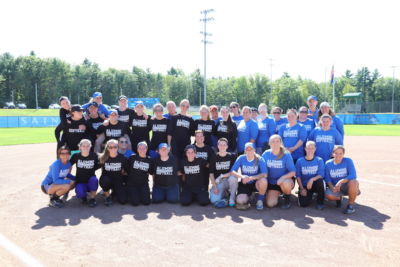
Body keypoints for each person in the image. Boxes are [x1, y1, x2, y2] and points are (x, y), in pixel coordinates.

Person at [261, 135, 296, 209]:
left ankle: (287, 198)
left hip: (285, 180)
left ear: (281, 143)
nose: (275, 143)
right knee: (270, 204)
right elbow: (262, 169)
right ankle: (274, 193)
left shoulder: (286, 154)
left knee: (285, 183)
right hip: (272, 182)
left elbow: (293, 172)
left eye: (277, 141)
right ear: (269, 144)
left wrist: (282, 177)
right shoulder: (266, 154)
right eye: (273, 141)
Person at [231, 142, 267, 210]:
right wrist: (242, 177)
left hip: (256, 183)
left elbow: (265, 174)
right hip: (245, 183)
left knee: (263, 180)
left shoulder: (259, 159)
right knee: (240, 201)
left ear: (254, 150)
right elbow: (232, 171)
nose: (249, 151)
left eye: (251, 149)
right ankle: (250, 196)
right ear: (245, 150)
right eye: (247, 149)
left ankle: (260, 200)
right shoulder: (241, 158)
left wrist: (252, 178)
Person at [324, 145, 360, 214]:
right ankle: (339, 198)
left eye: (341, 153)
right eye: (336, 153)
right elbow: (327, 178)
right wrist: (332, 188)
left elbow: (353, 175)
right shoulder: (328, 163)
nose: (338, 155)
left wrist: (341, 181)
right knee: (327, 195)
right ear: (333, 154)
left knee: (354, 182)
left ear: (343, 154)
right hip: (336, 187)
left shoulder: (348, 161)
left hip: (346, 186)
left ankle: (350, 206)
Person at [69, 139, 100, 207]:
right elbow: (69, 164)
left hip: (90, 180)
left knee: (94, 180)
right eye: (83, 146)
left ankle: (92, 199)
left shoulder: (94, 155)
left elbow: (101, 163)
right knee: (80, 193)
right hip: (80, 181)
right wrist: (68, 175)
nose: (85, 147)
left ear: (90, 147)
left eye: (87, 146)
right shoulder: (76, 155)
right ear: (80, 147)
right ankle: (84, 197)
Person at [295, 141, 325, 210]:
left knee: (320, 181)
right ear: (305, 149)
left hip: (315, 184)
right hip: (305, 186)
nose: (310, 150)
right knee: (303, 204)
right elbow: (298, 176)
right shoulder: (300, 161)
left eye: (312, 148)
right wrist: (302, 188)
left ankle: (320, 202)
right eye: (308, 148)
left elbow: (321, 175)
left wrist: (312, 179)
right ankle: (310, 195)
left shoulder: (319, 160)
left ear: (315, 149)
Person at [209, 138, 238, 207]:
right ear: (218, 146)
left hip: (229, 180)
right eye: (220, 144)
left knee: (233, 178)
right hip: (219, 182)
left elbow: (234, 172)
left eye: (224, 145)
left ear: (227, 146)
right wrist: (215, 187)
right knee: (213, 200)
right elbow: (211, 174)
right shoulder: (214, 157)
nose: (222, 146)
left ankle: (232, 198)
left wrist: (222, 176)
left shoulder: (232, 156)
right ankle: (225, 198)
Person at [98, 139, 128, 206]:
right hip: (106, 180)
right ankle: (107, 196)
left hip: (118, 181)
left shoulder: (122, 158)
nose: (113, 149)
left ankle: (114, 192)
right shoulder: (103, 157)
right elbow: (93, 168)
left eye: (115, 147)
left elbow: (126, 171)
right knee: (105, 180)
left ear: (118, 147)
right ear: (107, 148)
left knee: (123, 201)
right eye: (110, 147)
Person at [126, 142, 154, 206]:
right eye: (140, 148)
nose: (142, 150)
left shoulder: (150, 160)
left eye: (144, 148)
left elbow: (151, 172)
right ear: (137, 149)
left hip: (143, 184)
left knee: (146, 202)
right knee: (135, 203)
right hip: (132, 184)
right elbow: (126, 170)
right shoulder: (132, 158)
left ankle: (141, 194)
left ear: (147, 149)